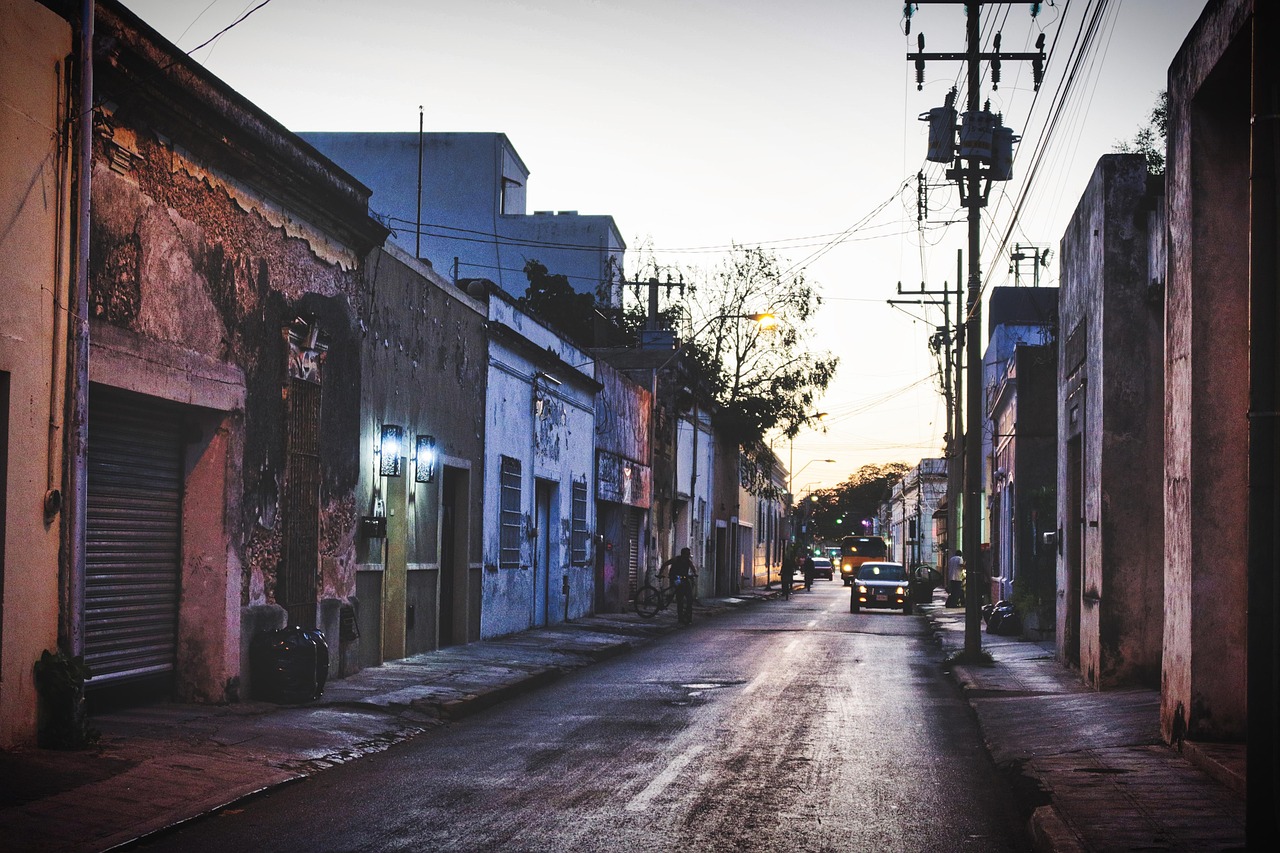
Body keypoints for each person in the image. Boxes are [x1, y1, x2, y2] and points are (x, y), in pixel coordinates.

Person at [661, 547, 697, 624]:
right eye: (687, 554)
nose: (688, 555)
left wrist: (695, 574)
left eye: (688, 554)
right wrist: (660, 573)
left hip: (684, 579)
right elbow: (665, 564)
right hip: (676, 578)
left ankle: (688, 616)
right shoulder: (676, 559)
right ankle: (680, 617)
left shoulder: (688, 561)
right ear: (682, 554)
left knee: (690, 598)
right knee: (680, 598)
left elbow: (693, 568)